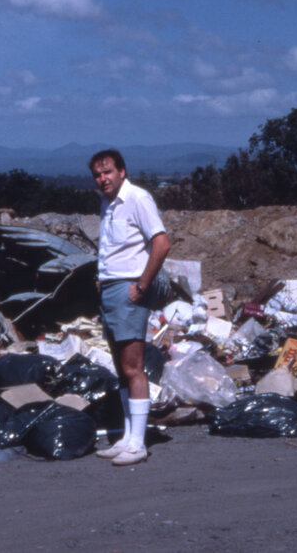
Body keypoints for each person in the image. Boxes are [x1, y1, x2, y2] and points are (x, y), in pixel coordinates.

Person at [89, 148, 170, 466]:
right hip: (110, 288)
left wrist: (143, 285)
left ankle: (138, 443)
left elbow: (161, 243)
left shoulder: (137, 198)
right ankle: (127, 436)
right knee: (121, 367)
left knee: (133, 366)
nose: (102, 178)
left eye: (107, 171)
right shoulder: (107, 203)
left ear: (122, 171)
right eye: (97, 174)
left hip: (129, 290)